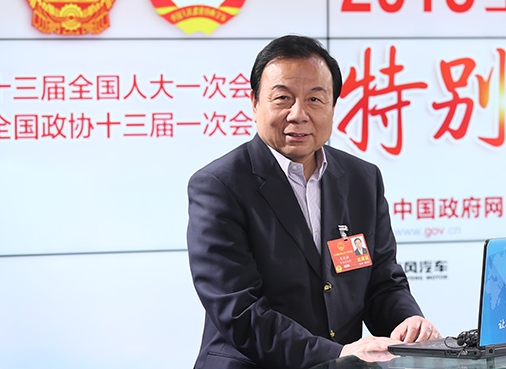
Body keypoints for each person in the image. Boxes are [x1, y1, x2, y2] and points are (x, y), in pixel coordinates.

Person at [187, 35, 440, 369]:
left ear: (333, 107)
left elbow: (381, 283)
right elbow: (239, 312)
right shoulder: (220, 185)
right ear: (255, 103)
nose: (299, 114)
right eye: (282, 98)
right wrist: (334, 353)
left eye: (315, 99)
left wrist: (407, 322)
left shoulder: (362, 179)